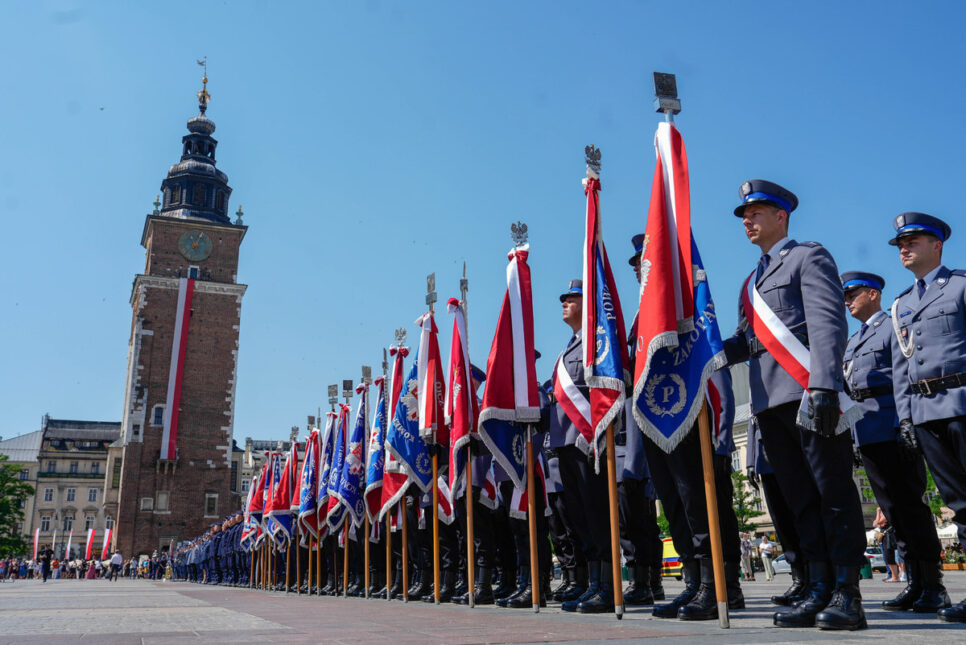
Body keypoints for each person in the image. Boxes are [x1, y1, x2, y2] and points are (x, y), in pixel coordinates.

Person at [723, 180, 867, 630]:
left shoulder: (808, 256)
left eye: (756, 213)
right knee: (799, 499)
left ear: (781, 216)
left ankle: (848, 593)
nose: (747, 221)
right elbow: (747, 342)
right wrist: (705, 351)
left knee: (832, 494)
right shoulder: (750, 283)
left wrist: (823, 385)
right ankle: (818, 586)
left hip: (808, 393)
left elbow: (827, 323)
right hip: (769, 403)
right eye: (744, 216)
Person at [887, 212, 966, 623]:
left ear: (937, 245)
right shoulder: (901, 304)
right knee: (958, 504)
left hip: (962, 403)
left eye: (912, 241)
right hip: (924, 413)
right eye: (900, 243)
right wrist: (906, 419)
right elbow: (902, 369)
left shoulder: (960, 285)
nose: (904, 248)